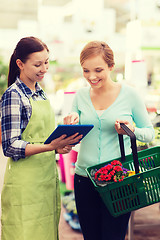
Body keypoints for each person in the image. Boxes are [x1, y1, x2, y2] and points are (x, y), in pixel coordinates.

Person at [63, 41, 155, 240]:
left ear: (111, 67)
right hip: (84, 178)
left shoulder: (130, 95)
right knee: (91, 236)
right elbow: (72, 135)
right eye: (86, 70)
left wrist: (131, 130)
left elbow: (149, 133)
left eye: (98, 70)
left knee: (113, 236)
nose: (91, 77)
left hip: (118, 180)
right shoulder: (80, 96)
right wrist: (70, 124)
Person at [0, 36, 82, 240]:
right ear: (20, 64)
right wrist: (50, 147)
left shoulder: (41, 93)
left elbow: (43, 139)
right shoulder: (13, 95)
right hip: (25, 184)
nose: (44, 68)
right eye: (38, 64)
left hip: (45, 180)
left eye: (46, 62)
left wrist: (60, 144)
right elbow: (10, 146)